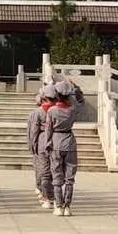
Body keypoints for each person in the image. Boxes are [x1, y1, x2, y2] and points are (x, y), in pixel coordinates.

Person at [45, 78, 85, 216]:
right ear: (68, 95)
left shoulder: (51, 111)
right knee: (69, 177)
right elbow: (81, 101)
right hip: (69, 142)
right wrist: (75, 88)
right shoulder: (73, 110)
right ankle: (67, 206)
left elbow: (48, 130)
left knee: (56, 175)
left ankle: (59, 205)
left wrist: (47, 144)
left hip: (56, 142)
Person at [31, 85, 57, 210]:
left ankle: (47, 197)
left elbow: (33, 131)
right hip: (56, 142)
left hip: (42, 142)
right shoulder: (58, 110)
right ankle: (54, 197)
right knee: (55, 171)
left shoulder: (38, 112)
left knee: (44, 172)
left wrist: (33, 146)